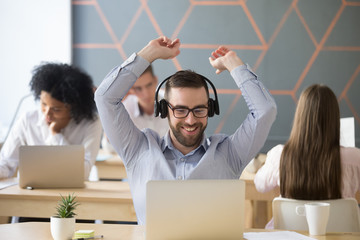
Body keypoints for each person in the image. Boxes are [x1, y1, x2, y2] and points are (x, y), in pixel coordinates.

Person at [95, 36, 277, 224]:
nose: (191, 120)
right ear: (165, 110)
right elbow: (104, 98)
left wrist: (234, 65)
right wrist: (149, 54)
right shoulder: (138, 149)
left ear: (211, 109)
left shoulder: (229, 153)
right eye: (180, 110)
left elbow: (265, 110)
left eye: (199, 109)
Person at [254, 84, 360, 227]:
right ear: (334, 118)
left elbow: (260, 185)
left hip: (288, 236)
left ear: (300, 116)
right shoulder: (355, 158)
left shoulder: (280, 155)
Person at [0, 63, 102, 180]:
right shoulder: (28, 120)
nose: (47, 113)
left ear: (74, 107)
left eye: (56, 109)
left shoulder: (91, 123)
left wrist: (55, 134)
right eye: (43, 104)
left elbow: (83, 172)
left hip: (72, 195)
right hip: (31, 193)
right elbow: (6, 164)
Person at [101, 65, 168, 154]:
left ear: (155, 81)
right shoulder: (125, 107)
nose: (146, 93)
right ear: (131, 89)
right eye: (138, 88)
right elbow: (109, 148)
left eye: (149, 85)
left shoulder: (171, 102)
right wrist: (113, 110)